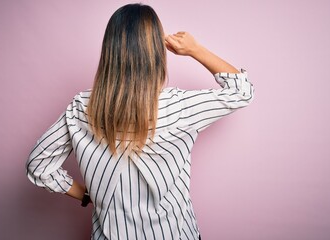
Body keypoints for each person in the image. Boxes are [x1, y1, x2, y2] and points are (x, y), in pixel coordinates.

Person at [26, 3, 254, 240]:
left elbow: (39, 165)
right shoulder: (178, 107)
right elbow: (242, 91)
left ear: (109, 51)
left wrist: (85, 194)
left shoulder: (81, 107)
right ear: (156, 51)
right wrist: (195, 49)